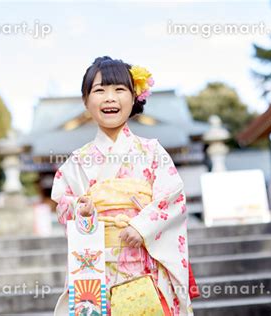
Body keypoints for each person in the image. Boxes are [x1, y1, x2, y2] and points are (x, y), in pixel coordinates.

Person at [51, 56, 199, 316]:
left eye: (119, 89)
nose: (110, 97)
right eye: (99, 90)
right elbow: (63, 204)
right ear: (86, 101)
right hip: (96, 267)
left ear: (134, 98)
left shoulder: (152, 151)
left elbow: (173, 199)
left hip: (145, 265)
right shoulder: (77, 161)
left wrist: (142, 227)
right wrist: (79, 208)